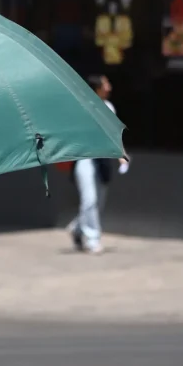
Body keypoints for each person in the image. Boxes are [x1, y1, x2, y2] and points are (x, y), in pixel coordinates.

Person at [68, 75, 128, 254]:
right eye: (105, 84)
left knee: (98, 202)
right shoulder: (81, 106)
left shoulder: (109, 107)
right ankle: (93, 240)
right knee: (90, 200)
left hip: (102, 159)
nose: (109, 87)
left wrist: (121, 154)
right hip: (84, 158)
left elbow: (113, 134)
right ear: (96, 89)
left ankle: (77, 228)